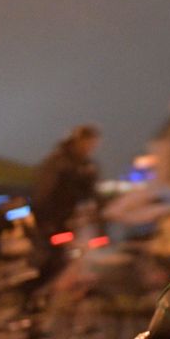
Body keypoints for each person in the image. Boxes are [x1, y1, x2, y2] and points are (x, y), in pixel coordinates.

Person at [27, 124, 101, 292]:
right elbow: (44, 193)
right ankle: (35, 295)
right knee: (52, 260)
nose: (90, 148)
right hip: (52, 222)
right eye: (88, 143)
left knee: (79, 258)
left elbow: (92, 194)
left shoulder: (87, 166)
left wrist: (99, 215)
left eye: (93, 144)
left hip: (72, 222)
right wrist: (47, 222)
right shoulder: (58, 163)